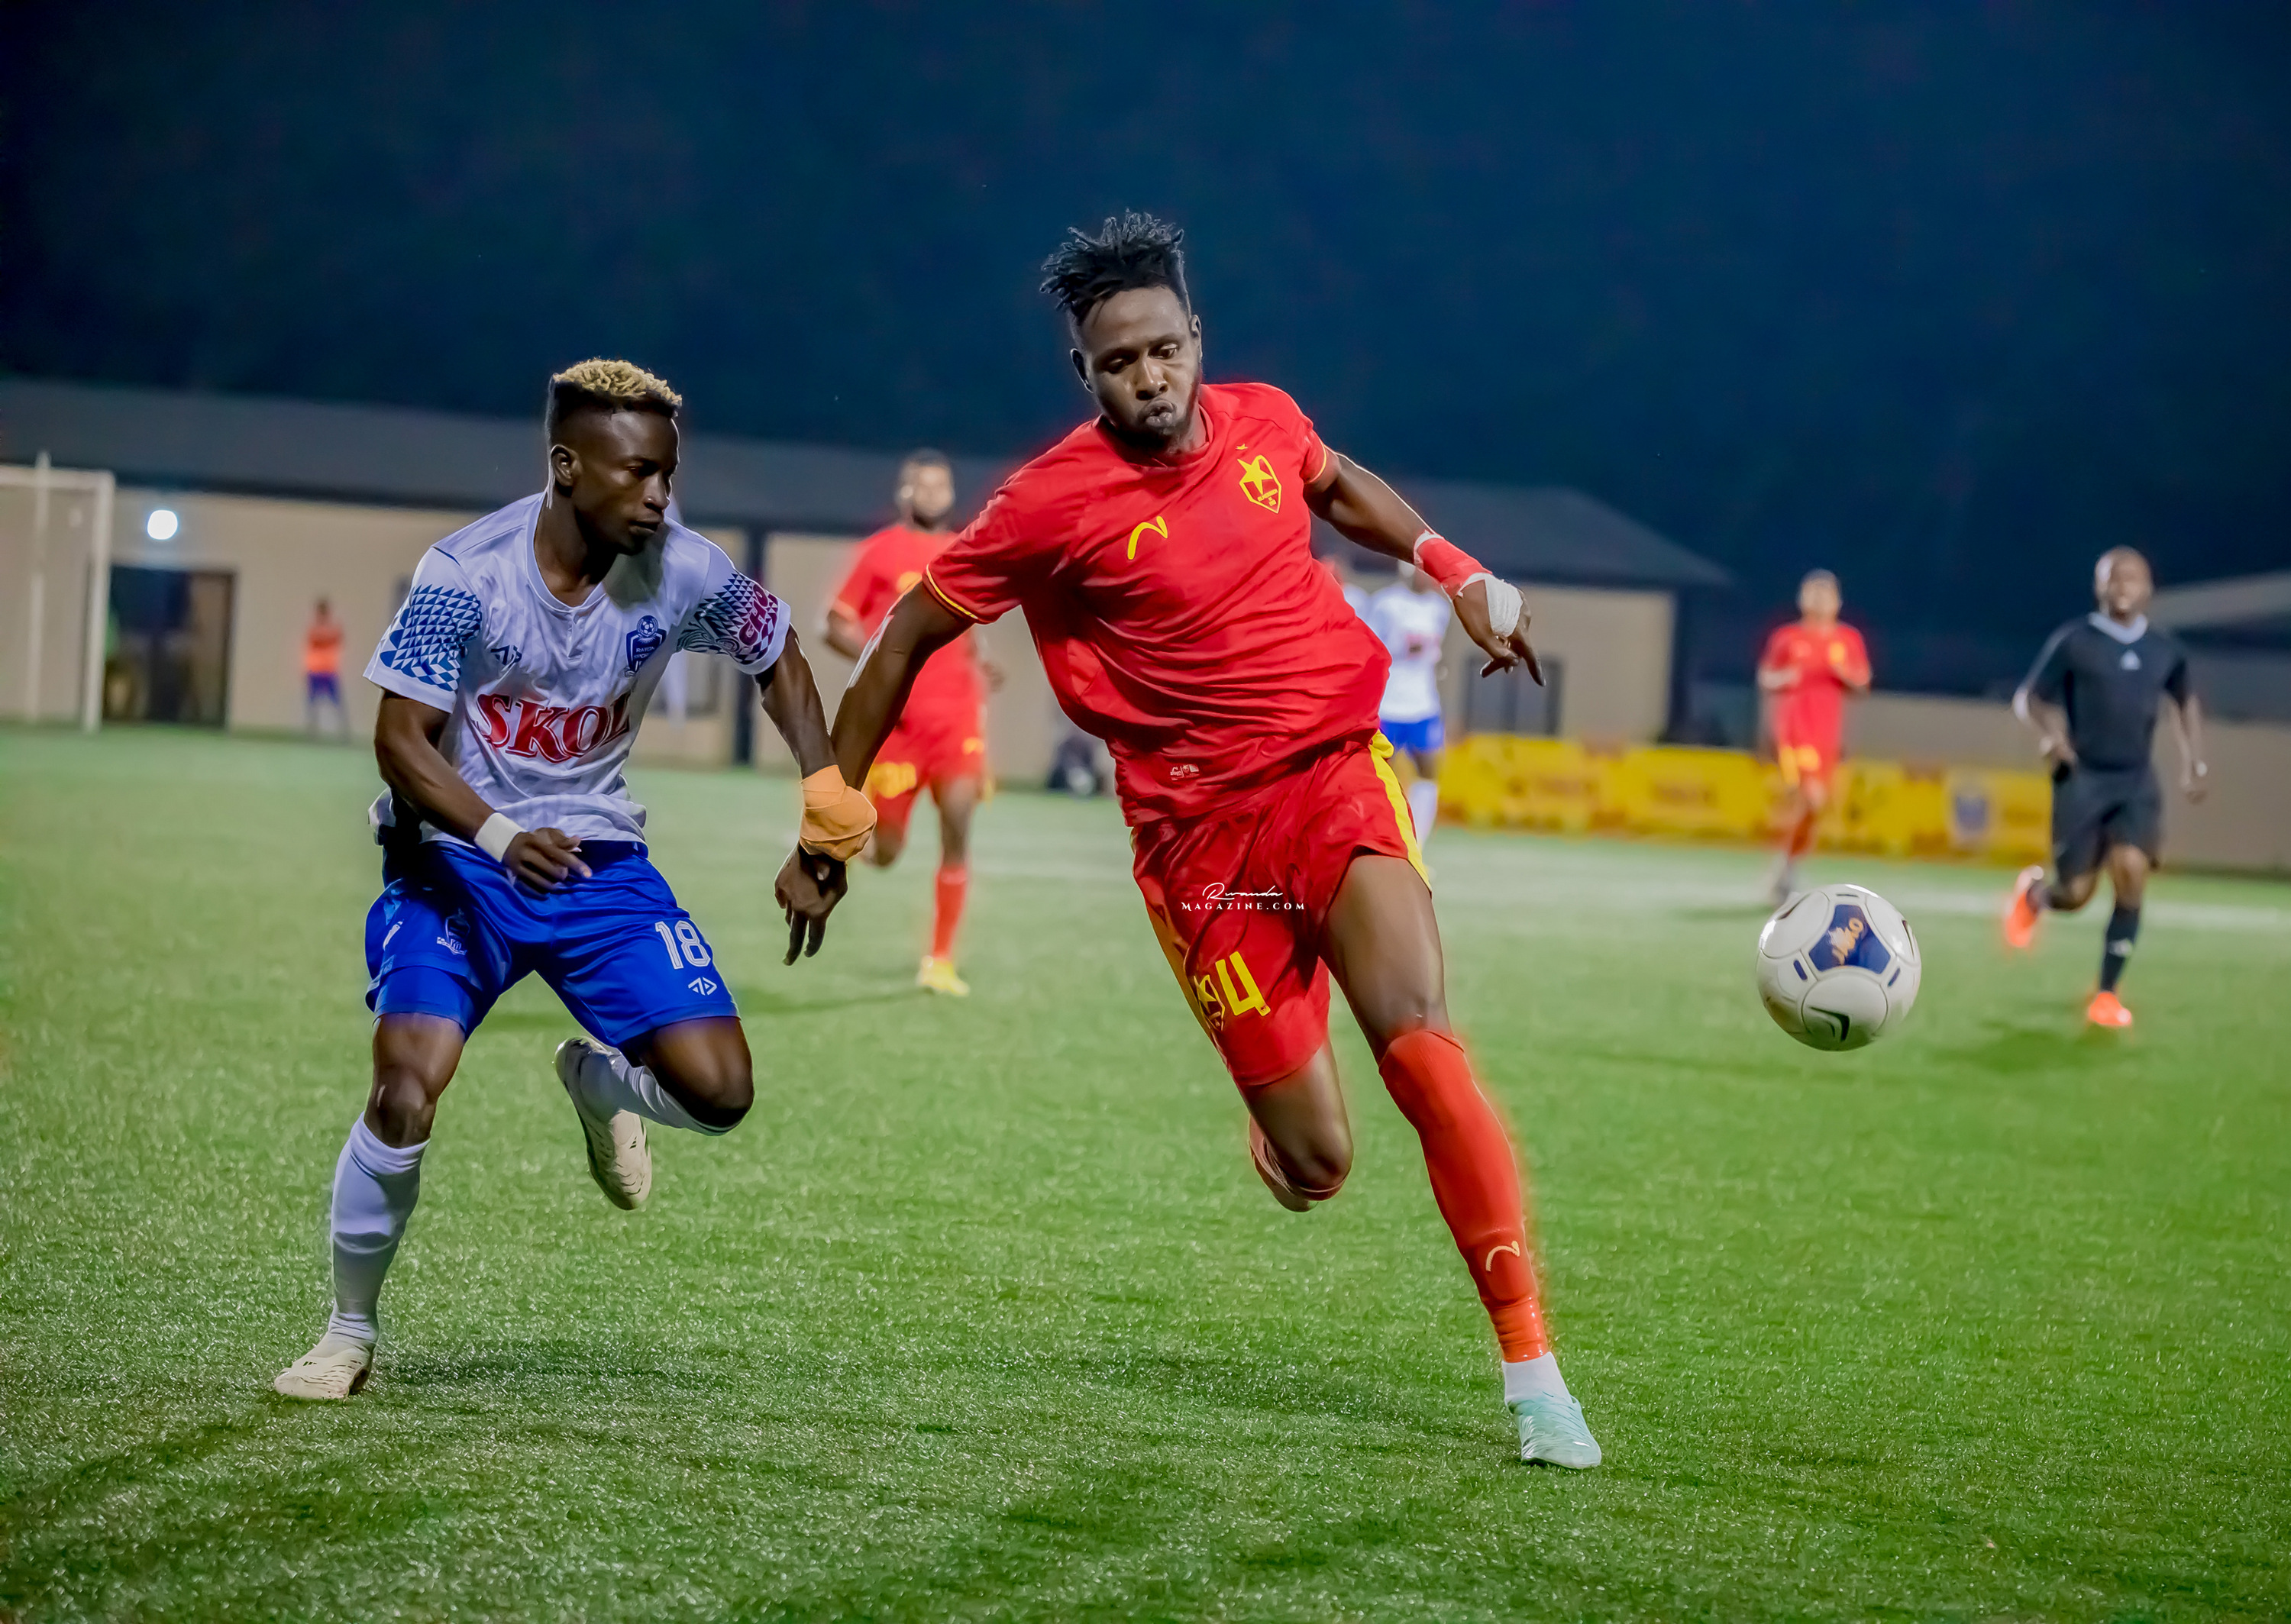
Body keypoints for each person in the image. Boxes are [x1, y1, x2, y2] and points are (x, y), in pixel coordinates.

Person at [798, 213, 1601, 1467]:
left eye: (1165, 349)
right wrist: (828, 818)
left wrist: (1457, 569)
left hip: (1334, 777)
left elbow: (1336, 480)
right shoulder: (1046, 503)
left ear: (1197, 339)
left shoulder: (1264, 420)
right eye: (1120, 363)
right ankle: (1281, 1110)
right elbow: (902, 639)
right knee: (1319, 1163)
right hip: (1198, 846)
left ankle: (1535, 1376)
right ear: (1086, 374)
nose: (1150, 377)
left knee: (1421, 1043)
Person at [273, 360, 866, 1400]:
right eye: (636, 472)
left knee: (721, 1094)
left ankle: (599, 1084)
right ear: (566, 465)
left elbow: (779, 655)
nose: (659, 496)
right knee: (405, 1089)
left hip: (598, 864)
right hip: (458, 861)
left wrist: (822, 803)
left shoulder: (685, 568)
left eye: (667, 473)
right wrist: (500, 834)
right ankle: (347, 1334)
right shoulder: (464, 572)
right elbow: (400, 741)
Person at [2005, 547, 2207, 1028]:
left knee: (2132, 871)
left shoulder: (2164, 649)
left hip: (2134, 780)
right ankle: (2035, 898)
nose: (2122, 586)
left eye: (2132, 578)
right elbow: (2029, 698)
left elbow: (2185, 700)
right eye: (2113, 578)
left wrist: (2194, 760)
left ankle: (2107, 994)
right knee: (2075, 894)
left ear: (2148, 588)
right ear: (2099, 586)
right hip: (2082, 779)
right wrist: (2052, 736)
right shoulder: (2075, 641)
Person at [823, 450, 994, 996]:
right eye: (923, 486)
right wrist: (878, 666)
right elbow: (835, 623)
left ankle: (939, 961)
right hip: (899, 727)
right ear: (905, 492)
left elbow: (966, 624)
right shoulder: (880, 553)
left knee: (959, 824)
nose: (933, 495)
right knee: (885, 852)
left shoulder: (964, 551)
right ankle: (843, 843)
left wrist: (980, 662)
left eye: (941, 486)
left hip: (956, 719)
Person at [1756, 570, 1871, 904]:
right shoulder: (1787, 638)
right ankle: (1787, 870)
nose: (1819, 603)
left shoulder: (1847, 640)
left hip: (1826, 737)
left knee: (1814, 808)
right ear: (1802, 600)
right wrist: (1785, 678)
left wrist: (1843, 674)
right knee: (1811, 797)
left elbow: (1862, 683)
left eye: (1826, 597)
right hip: (1794, 731)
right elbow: (1766, 677)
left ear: (1837, 603)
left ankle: (1786, 867)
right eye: (1813, 596)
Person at [1365, 564, 1452, 844]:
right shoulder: (1386, 603)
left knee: (1429, 770)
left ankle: (1418, 842)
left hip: (1423, 704)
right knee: (1378, 774)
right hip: (1388, 704)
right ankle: (1381, 835)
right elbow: (1369, 647)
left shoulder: (1439, 609)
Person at [305, 597, 347, 739]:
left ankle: (343, 733)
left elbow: (338, 641)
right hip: (315, 671)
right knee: (312, 703)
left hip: (329, 671)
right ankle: (312, 731)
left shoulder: (332, 628)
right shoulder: (314, 629)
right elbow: (315, 642)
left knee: (337, 703)